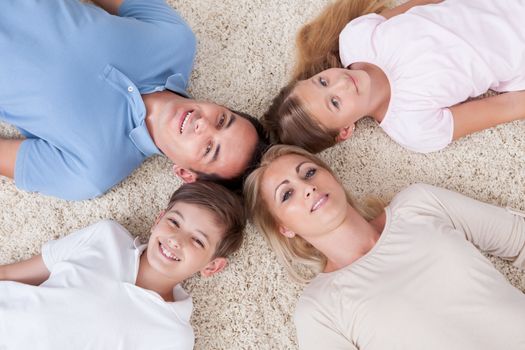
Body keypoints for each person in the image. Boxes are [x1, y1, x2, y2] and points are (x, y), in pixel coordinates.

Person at [244, 144, 525, 350]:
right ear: (285, 228)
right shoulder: (319, 309)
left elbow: (519, 238)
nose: (308, 187)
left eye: (308, 172)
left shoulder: (419, 204)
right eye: (287, 194)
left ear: (333, 177)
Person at [0, 0, 268, 200]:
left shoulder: (91, 172)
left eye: (209, 148)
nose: (204, 125)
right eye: (222, 120)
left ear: (186, 174)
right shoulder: (176, 41)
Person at [0, 181, 246, 349]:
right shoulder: (105, 237)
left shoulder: (173, 336)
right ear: (158, 220)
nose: (175, 240)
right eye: (174, 222)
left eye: (197, 240)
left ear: (212, 267)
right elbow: (13, 273)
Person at [263, 0, 525, 153]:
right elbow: (504, 107)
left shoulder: (356, 38)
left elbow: (421, 4)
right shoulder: (413, 127)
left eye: (322, 81)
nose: (341, 82)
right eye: (335, 102)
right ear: (345, 131)